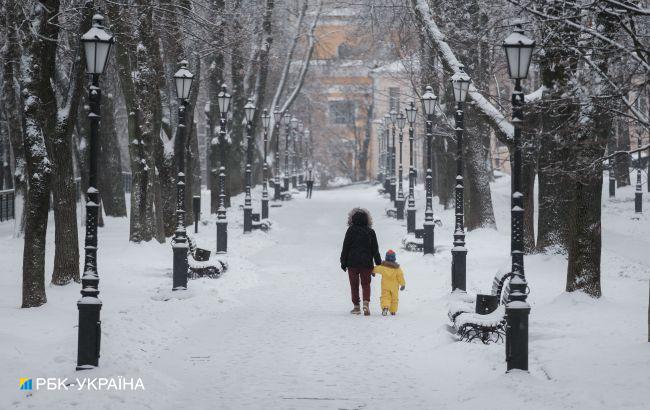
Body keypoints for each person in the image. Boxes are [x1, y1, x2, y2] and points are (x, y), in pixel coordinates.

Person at [340, 208, 381, 316]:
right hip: (366, 263)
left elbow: (346, 247)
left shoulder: (350, 230)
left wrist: (343, 262)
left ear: (352, 219)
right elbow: (375, 249)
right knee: (366, 284)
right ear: (367, 220)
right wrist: (378, 263)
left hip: (352, 262)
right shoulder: (370, 232)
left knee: (354, 285)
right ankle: (366, 303)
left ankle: (356, 307)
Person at [372, 250, 406, 316]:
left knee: (385, 297)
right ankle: (393, 311)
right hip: (394, 287)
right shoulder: (397, 268)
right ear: (394, 258)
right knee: (394, 298)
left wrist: (372, 272)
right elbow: (400, 276)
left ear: (386, 258)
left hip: (385, 286)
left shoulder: (383, 267)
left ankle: (385, 307)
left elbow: (376, 269)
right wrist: (403, 284)